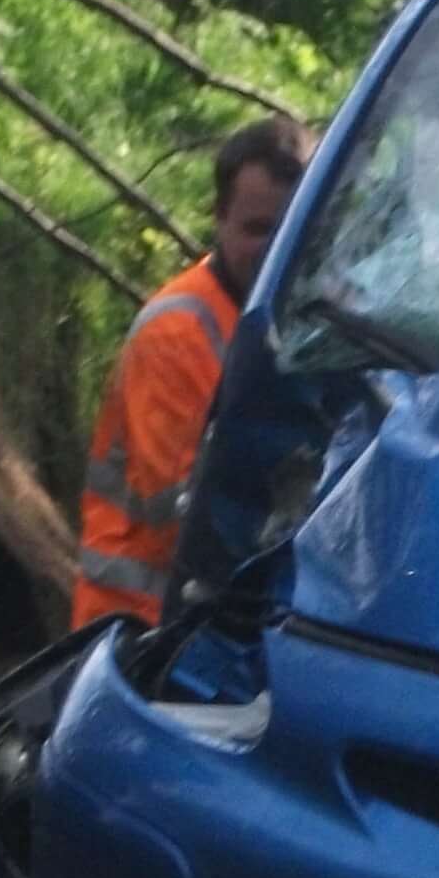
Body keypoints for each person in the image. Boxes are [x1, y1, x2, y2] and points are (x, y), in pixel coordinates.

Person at [72, 115, 313, 631]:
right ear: (218, 219)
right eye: (256, 229)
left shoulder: (313, 315)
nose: (274, 248)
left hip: (216, 615)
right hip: (139, 631)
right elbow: (186, 513)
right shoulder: (178, 334)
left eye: (292, 228)